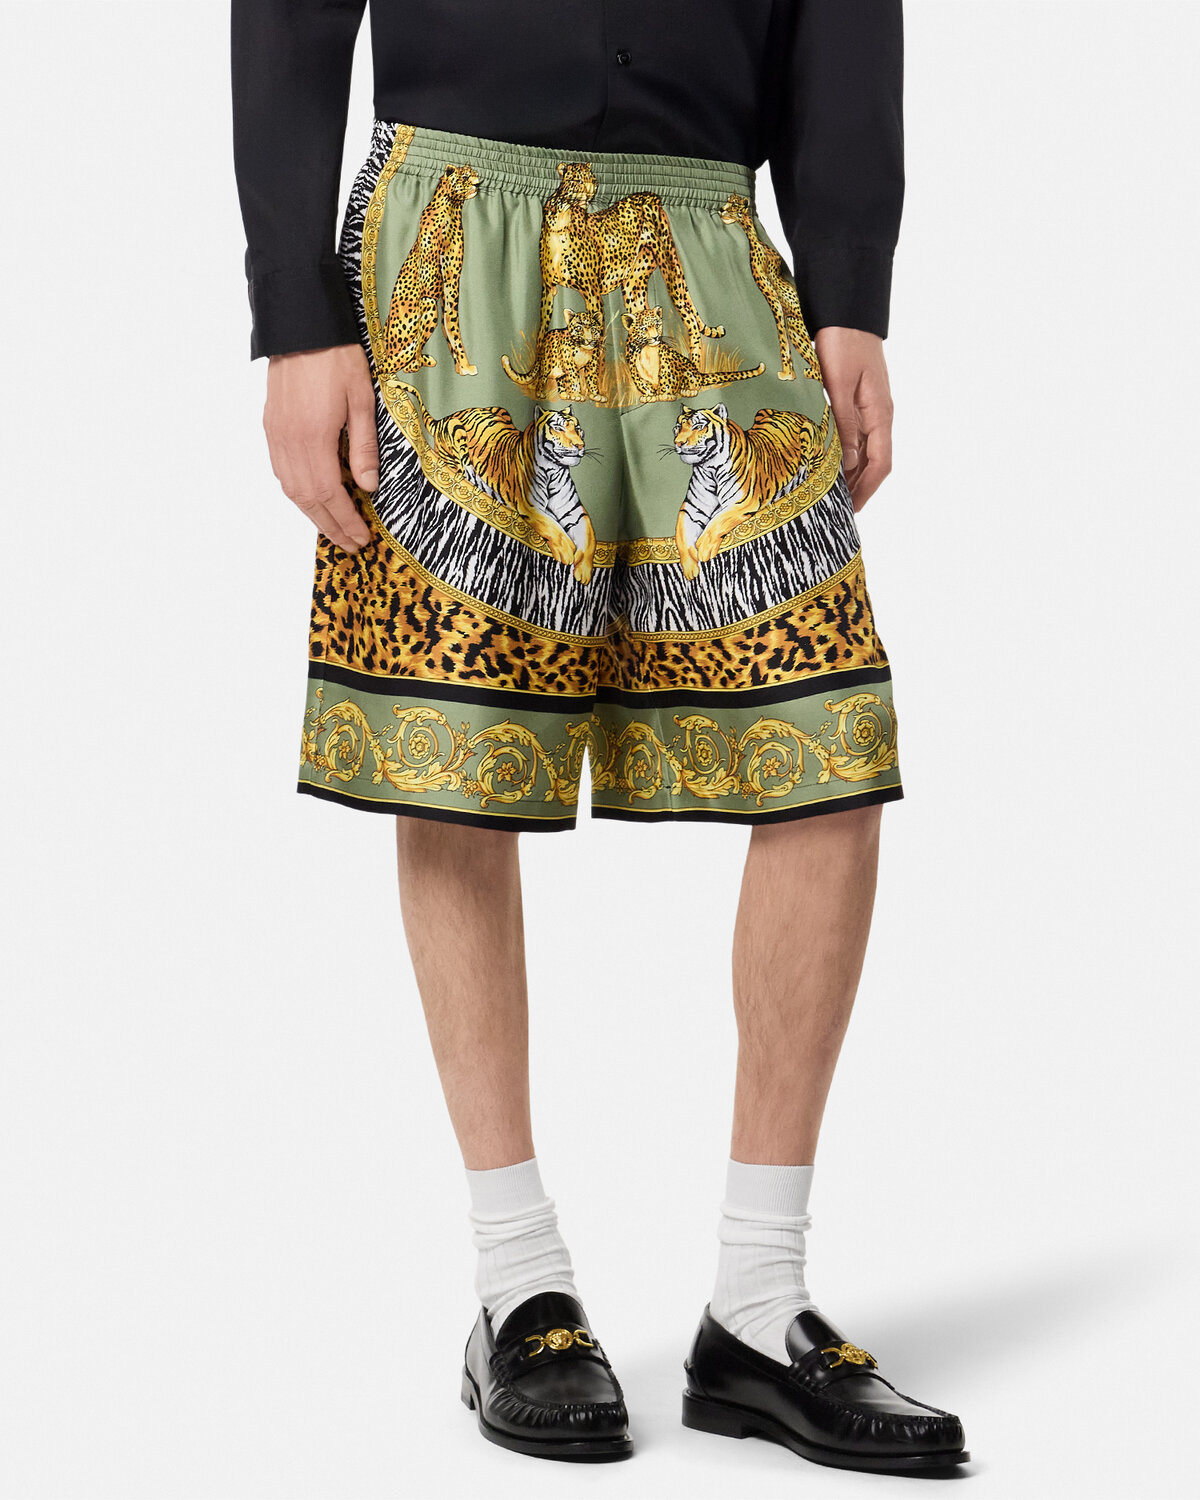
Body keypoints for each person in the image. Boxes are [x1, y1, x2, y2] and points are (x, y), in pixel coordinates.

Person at [232, 0, 968, 1473]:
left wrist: (851, 285)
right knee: (456, 751)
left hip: (711, 240)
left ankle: (758, 1301)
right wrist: (295, 313)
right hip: (450, 235)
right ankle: (519, 1285)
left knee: (825, 746)